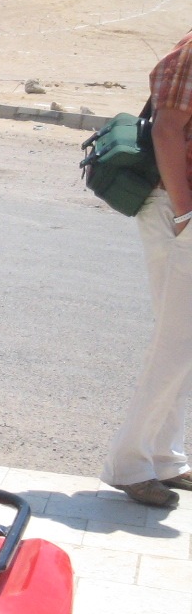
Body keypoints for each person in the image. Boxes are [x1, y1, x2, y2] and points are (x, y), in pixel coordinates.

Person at [102, 29, 192, 507]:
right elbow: (166, 129)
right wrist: (185, 212)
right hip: (177, 209)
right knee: (178, 342)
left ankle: (163, 455)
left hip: (181, 210)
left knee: (180, 340)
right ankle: (130, 463)